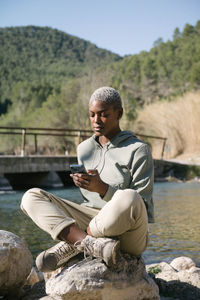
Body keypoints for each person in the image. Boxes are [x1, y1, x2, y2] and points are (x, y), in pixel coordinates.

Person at [20, 86, 154, 273]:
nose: (96, 121)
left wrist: (102, 189)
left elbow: (143, 206)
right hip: (91, 218)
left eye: (103, 114)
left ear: (119, 113)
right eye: (92, 115)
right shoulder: (84, 149)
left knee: (129, 196)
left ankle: (74, 245)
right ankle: (87, 244)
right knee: (31, 196)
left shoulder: (138, 149)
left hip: (128, 233)